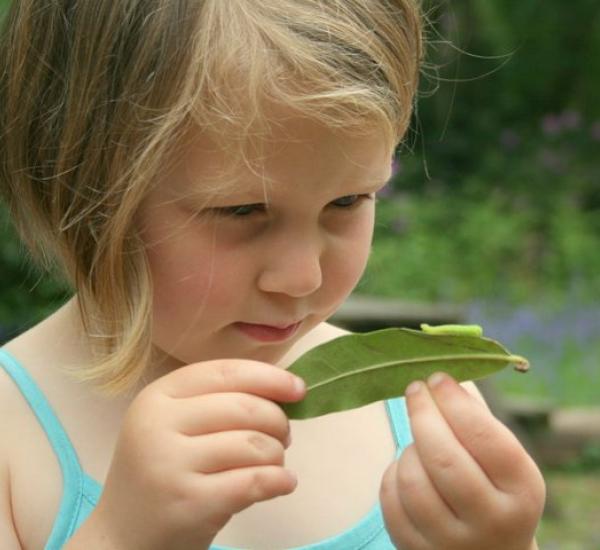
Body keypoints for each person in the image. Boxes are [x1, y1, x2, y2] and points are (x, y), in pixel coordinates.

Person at [0, 1, 545, 549]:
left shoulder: (426, 414)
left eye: (349, 200)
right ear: (83, 187)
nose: (302, 277)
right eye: (240, 211)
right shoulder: (11, 435)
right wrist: (122, 536)